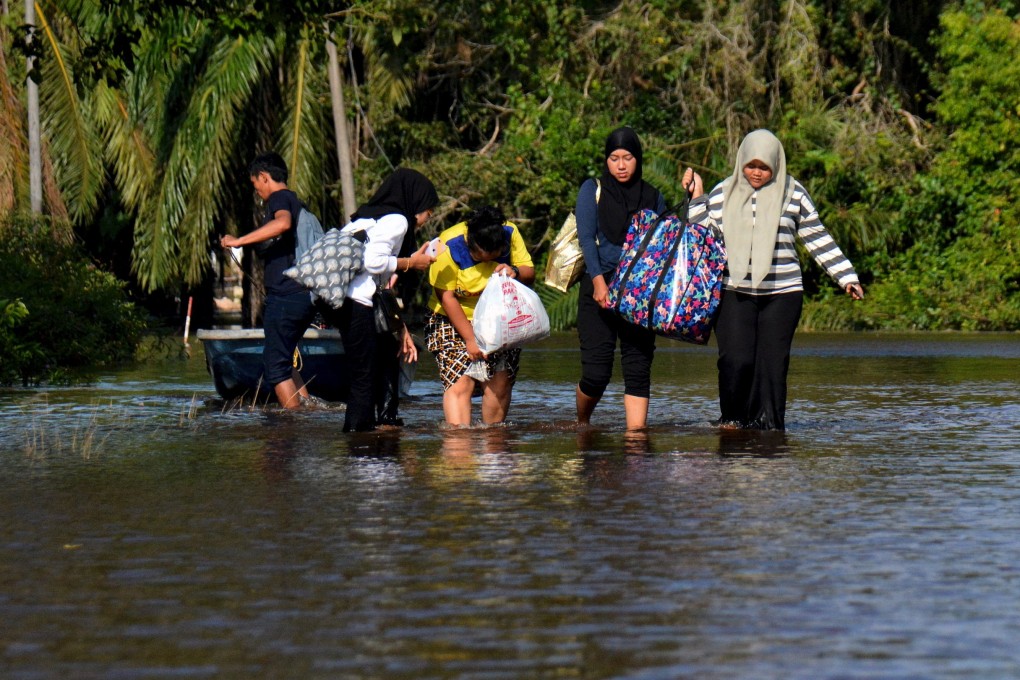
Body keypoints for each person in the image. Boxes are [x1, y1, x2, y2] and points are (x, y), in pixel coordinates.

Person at [685, 129, 865, 430]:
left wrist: (846, 277)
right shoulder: (722, 193)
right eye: (751, 165)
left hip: (782, 292)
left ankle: (769, 432)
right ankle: (732, 422)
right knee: (736, 361)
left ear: (775, 165)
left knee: (772, 367)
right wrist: (697, 196)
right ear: (741, 162)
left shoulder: (793, 194)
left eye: (764, 167)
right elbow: (702, 239)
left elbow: (816, 237)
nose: (757, 172)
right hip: (733, 290)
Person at [329, 168, 439, 432]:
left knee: (366, 371)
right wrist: (411, 262)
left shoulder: (365, 218)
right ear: (416, 202)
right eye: (428, 210)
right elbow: (373, 261)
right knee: (364, 376)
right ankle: (359, 441)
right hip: (358, 303)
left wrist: (405, 265)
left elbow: (375, 271)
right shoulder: (398, 220)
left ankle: (362, 441)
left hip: (341, 301)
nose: (427, 217)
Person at [574, 126, 667, 430]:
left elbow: (665, 246)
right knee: (597, 372)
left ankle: (636, 439)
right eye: (614, 158)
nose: (621, 165)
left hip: (640, 293)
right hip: (599, 287)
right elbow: (587, 239)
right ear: (607, 160)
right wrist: (599, 282)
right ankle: (583, 422)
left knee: (638, 368)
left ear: (637, 159)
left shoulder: (654, 197)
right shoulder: (593, 189)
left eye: (627, 157)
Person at [220, 152, 317, 409]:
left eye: (256, 186)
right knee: (282, 360)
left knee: (275, 367)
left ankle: (292, 427)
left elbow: (282, 224)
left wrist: (238, 241)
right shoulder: (297, 201)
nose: (258, 192)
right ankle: (308, 414)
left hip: (286, 295)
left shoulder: (279, 198)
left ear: (264, 177)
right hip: (301, 295)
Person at [425, 205, 535, 427]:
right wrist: (470, 339)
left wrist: (514, 270)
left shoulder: (510, 232)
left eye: (493, 257)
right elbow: (446, 297)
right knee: (461, 382)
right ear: (470, 244)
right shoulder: (448, 245)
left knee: (500, 382)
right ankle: (460, 448)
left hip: (498, 318)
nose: (486, 264)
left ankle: (493, 446)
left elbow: (529, 272)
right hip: (451, 317)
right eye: (481, 258)